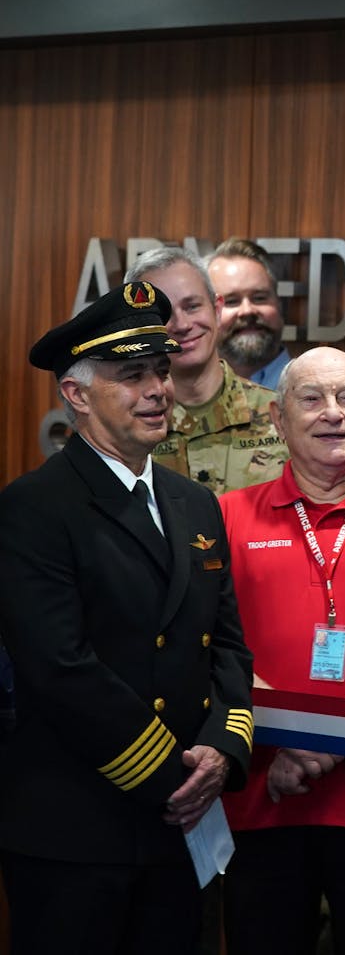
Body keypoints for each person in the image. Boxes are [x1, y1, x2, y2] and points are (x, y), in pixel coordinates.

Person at [0, 282, 254, 954]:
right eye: (131, 374)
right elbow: (59, 666)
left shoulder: (194, 503)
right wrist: (173, 775)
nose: (157, 390)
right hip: (78, 830)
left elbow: (225, 642)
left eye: (162, 371)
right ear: (76, 395)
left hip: (180, 827)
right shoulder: (34, 507)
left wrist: (223, 750)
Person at [218, 347, 345, 955]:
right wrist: (285, 744)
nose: (332, 413)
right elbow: (210, 651)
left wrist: (324, 745)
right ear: (279, 420)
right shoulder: (225, 518)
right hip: (262, 796)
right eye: (311, 399)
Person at [207, 237, 345, 487]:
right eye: (231, 301)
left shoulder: (332, 394)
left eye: (260, 297)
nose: (247, 310)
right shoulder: (194, 403)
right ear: (210, 313)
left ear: (279, 305)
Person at [126, 246, 288, 494]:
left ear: (217, 308)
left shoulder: (283, 416)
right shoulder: (125, 426)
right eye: (163, 314)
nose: (182, 325)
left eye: (192, 306)